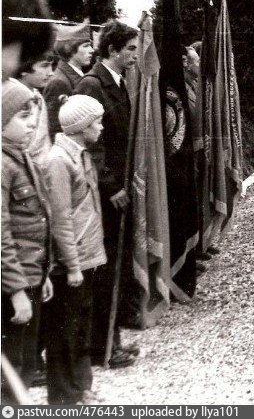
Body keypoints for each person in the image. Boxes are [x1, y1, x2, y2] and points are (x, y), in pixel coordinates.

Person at [74, 20, 139, 368]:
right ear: (112, 49)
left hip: (119, 187)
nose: (135, 55)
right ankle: (102, 347)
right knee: (105, 268)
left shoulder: (117, 81)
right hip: (105, 192)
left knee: (116, 265)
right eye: (130, 49)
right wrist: (111, 184)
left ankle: (111, 339)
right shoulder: (92, 84)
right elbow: (90, 142)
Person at [43, 95, 107, 405]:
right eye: (97, 122)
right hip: (73, 262)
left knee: (81, 326)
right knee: (64, 331)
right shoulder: (59, 160)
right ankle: (63, 396)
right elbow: (61, 218)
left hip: (88, 255)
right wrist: (71, 265)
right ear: (82, 127)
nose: (101, 127)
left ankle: (81, 387)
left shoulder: (81, 154)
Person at [1, 79, 53, 390]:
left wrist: (42, 274)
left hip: (30, 276)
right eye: (23, 116)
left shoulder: (20, 157)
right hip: (12, 287)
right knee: (11, 374)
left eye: (33, 115)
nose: (33, 122)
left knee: (24, 367)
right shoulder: (3, 165)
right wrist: (17, 290)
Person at [43, 21, 95, 139]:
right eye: (86, 46)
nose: (92, 50)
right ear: (69, 49)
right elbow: (55, 131)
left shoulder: (78, 75)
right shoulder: (58, 82)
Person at [14, 55, 54, 167]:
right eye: (44, 66)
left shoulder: (38, 97)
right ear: (23, 68)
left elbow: (45, 141)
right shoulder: (8, 99)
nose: (51, 73)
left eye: (51, 66)